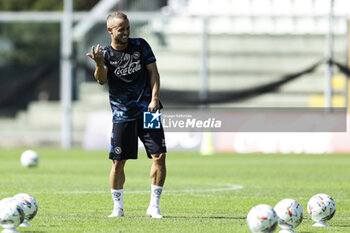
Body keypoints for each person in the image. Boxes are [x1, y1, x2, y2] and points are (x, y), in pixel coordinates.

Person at [86, 12, 167, 219]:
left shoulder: (141, 46)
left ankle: (154, 206)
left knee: (159, 156)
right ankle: (118, 208)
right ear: (110, 31)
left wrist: (154, 99)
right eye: (121, 29)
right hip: (122, 114)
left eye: (127, 28)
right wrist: (98, 64)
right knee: (118, 162)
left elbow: (153, 73)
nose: (126, 32)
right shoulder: (106, 54)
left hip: (149, 111)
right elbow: (102, 80)